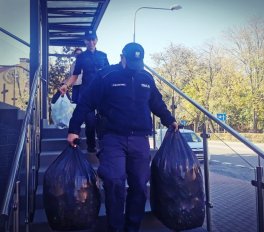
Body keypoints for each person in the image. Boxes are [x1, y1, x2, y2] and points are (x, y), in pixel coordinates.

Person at [67, 42, 178, 232]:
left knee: (140, 185)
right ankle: (115, 228)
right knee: (114, 182)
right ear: (122, 57)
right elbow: (85, 103)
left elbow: (156, 103)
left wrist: (170, 120)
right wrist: (73, 129)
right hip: (112, 138)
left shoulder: (146, 77)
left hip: (140, 139)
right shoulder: (106, 76)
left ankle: (132, 227)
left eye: (139, 62)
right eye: (132, 62)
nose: (136, 67)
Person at [60, 31, 109, 153]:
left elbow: (109, 73)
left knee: (104, 120)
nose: (91, 42)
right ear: (85, 41)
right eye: (88, 40)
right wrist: (66, 85)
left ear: (96, 40)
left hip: (102, 93)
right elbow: (75, 75)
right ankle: (91, 148)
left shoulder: (103, 55)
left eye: (93, 39)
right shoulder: (81, 57)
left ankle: (105, 148)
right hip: (87, 92)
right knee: (90, 121)